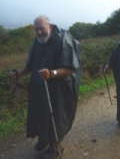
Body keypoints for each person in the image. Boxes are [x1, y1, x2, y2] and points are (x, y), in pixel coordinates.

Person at [11, 15, 81, 159]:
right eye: (36, 29)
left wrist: (52, 73)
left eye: (41, 28)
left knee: (56, 116)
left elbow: (71, 68)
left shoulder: (63, 39)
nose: (39, 32)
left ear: (49, 26)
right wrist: (19, 74)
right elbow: (30, 64)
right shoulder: (38, 40)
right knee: (41, 114)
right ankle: (45, 140)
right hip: (40, 87)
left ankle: (57, 147)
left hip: (60, 88)